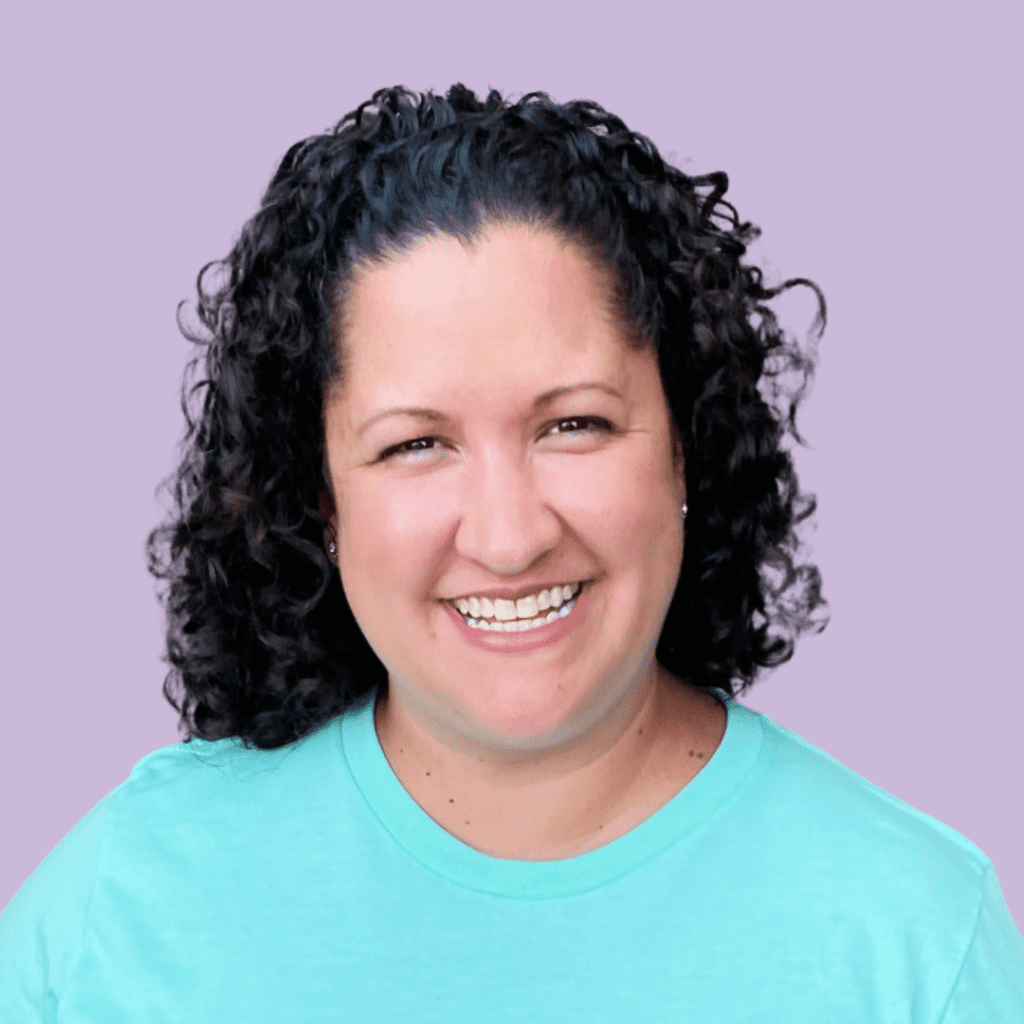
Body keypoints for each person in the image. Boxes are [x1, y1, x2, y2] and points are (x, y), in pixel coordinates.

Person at [2, 83, 1022, 1022]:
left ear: (684, 442)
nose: (508, 534)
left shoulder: (914, 942)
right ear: (319, 502)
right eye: (414, 444)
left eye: (572, 425)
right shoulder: (116, 917)